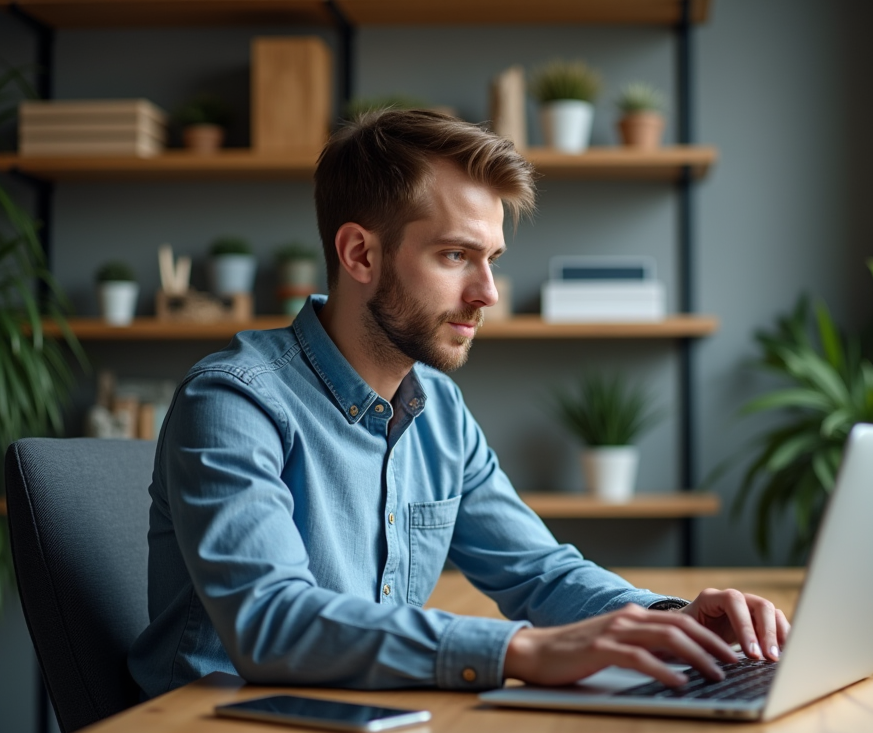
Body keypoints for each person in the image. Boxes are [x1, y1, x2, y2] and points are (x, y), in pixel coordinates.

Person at [128, 110, 789, 698]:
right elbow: (270, 622)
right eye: (455, 256)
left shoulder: (438, 410)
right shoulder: (234, 400)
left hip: (367, 728)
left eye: (492, 259)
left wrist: (667, 622)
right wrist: (518, 651)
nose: (488, 293)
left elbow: (538, 573)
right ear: (360, 253)